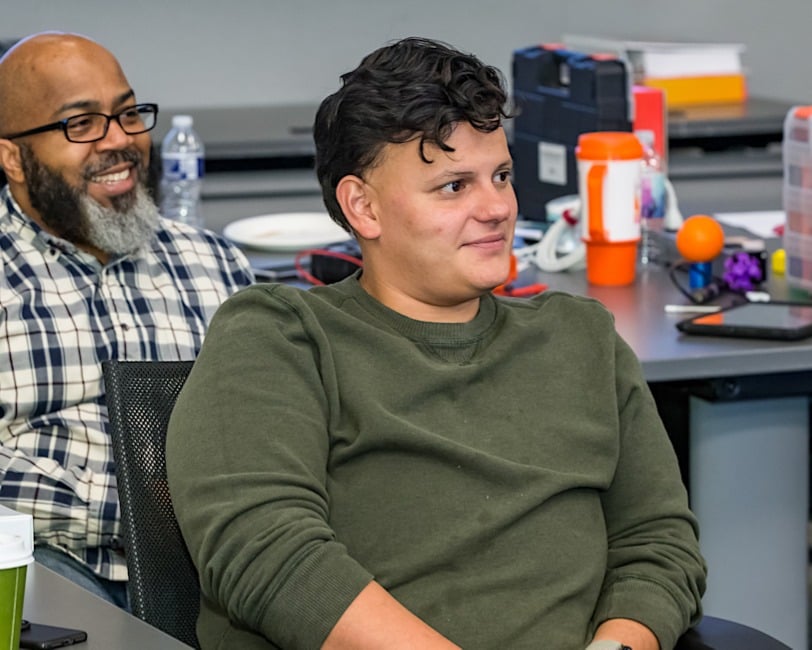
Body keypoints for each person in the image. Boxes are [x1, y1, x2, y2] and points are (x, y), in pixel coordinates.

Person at [166, 37, 706, 649]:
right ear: (363, 207)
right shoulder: (280, 336)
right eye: (454, 186)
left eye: (501, 176)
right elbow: (265, 551)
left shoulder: (581, 338)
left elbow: (658, 546)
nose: (496, 207)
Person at [0, 31, 253, 609]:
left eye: (128, 113)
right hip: (49, 572)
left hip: (216, 572)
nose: (119, 140)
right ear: (13, 157)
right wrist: (146, 505)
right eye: (81, 123)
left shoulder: (217, 265)